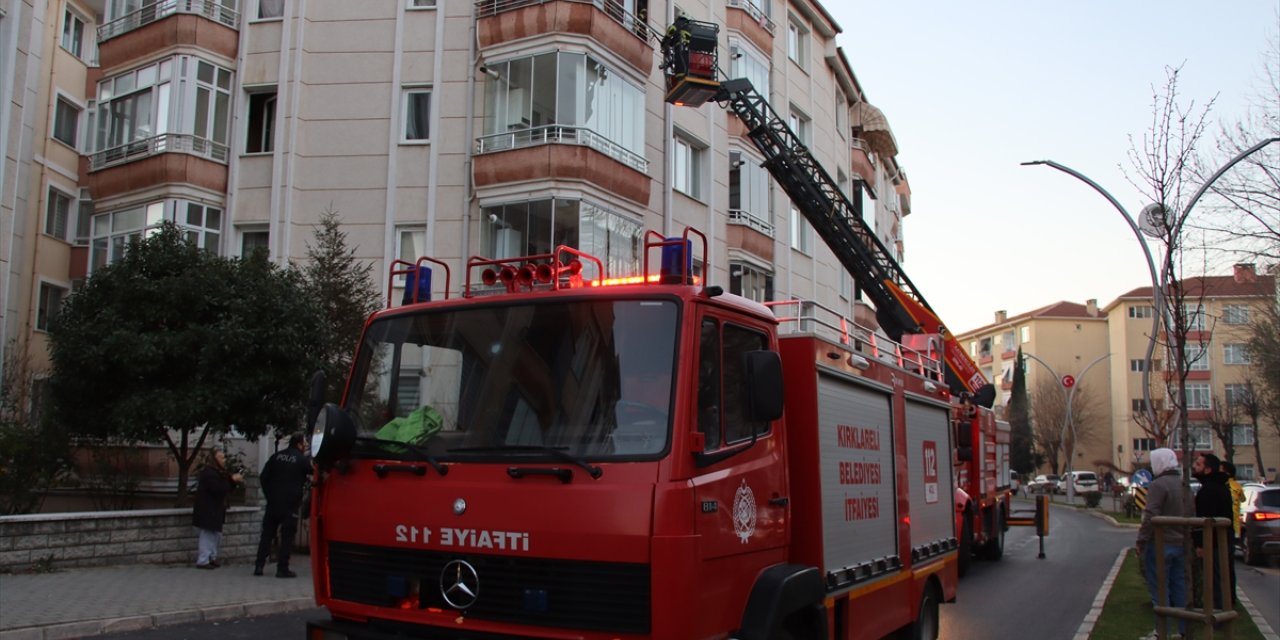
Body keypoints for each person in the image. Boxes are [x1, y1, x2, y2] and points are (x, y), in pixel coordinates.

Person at [1135, 447, 1189, 638]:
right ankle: (1183, 630)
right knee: (1179, 587)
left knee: (1159, 588)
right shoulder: (1183, 484)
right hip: (1181, 543)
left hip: (1159, 543)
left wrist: (1141, 540)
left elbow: (1150, 514)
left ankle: (1161, 631)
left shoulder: (1158, 485)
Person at [255, 433, 312, 578]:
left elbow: (263, 477)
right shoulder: (301, 460)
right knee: (287, 537)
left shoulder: (276, 456)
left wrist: (269, 495)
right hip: (290, 505)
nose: (305, 446)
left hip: (273, 503)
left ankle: (259, 566)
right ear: (299, 444)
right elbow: (314, 474)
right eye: (304, 443)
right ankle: (282, 568)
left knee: (267, 535)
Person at [1193, 452, 1235, 610]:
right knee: (1223, 578)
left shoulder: (1209, 490)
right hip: (1223, 541)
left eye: (1198, 464)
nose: (1194, 466)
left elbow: (1204, 519)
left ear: (1208, 469)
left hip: (1214, 543)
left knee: (1215, 579)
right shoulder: (1220, 486)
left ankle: (1218, 613)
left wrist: (1200, 545)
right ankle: (1225, 608)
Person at [192, 448, 242, 570]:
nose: (224, 460)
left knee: (216, 535)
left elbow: (225, 488)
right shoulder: (209, 473)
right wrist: (232, 480)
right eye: (221, 457)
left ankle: (211, 557)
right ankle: (203, 560)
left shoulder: (217, 472)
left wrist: (233, 482)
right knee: (207, 535)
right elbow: (218, 489)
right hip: (208, 509)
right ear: (214, 459)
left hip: (215, 509)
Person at [1223, 461, 1244, 539]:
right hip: (1235, 522)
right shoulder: (1237, 485)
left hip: (1225, 522)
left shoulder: (1222, 485)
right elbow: (1243, 499)